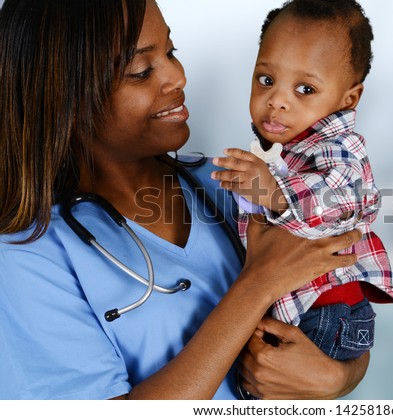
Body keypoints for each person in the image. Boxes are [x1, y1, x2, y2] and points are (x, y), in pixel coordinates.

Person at [0, 0, 369, 400]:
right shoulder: (25, 253)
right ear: (61, 93)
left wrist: (339, 377)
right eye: (141, 71)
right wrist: (257, 285)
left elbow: (341, 306)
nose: (177, 77)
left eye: (172, 52)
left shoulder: (234, 183)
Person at [212, 0, 393, 363]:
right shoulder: (279, 153)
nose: (277, 100)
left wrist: (275, 193)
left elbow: (343, 197)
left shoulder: (338, 145)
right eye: (266, 80)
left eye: (305, 90)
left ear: (349, 99)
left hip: (327, 314)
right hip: (302, 310)